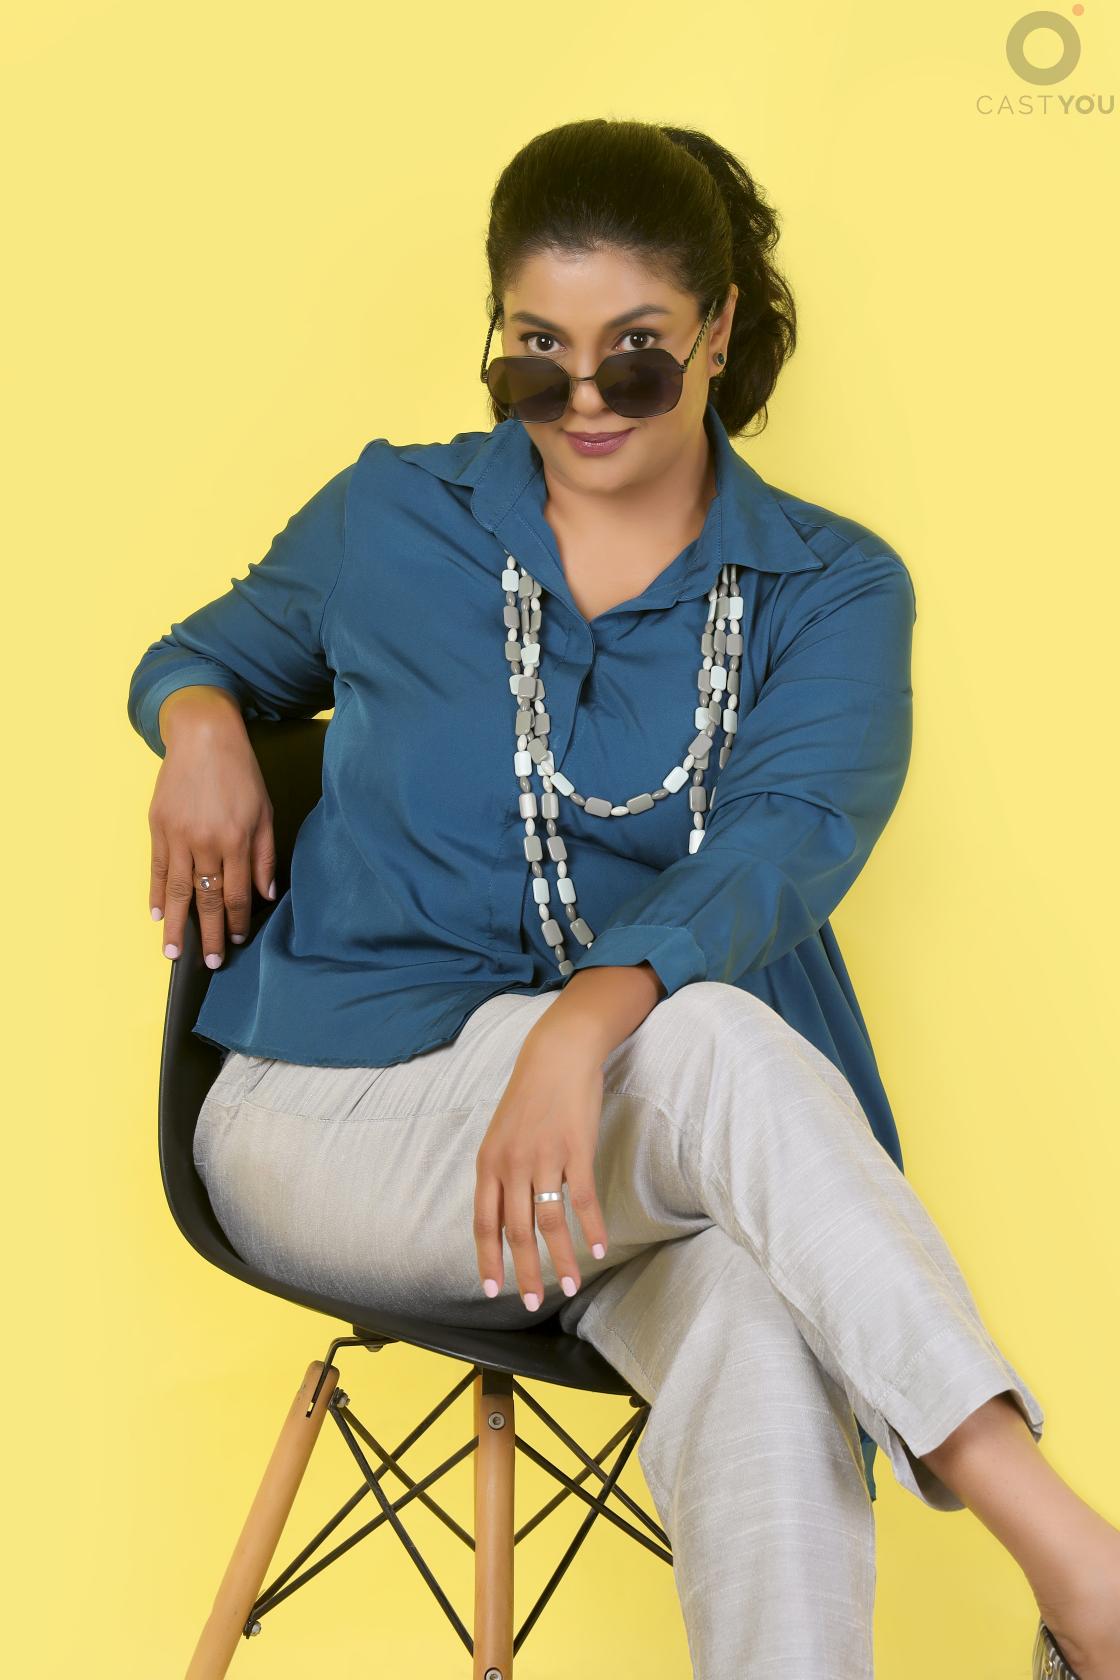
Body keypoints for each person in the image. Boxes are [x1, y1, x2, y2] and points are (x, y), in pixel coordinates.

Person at [126, 119, 1119, 1679]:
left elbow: (787, 837)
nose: (583, 402)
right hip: (331, 1119)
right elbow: (204, 651)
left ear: (718, 332)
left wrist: (580, 1029)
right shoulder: (394, 518)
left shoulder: (830, 587)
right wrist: (197, 726)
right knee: (707, 1041)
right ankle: (1078, 1568)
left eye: (637, 357)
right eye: (537, 355)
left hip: (610, 1164)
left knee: (759, 1322)